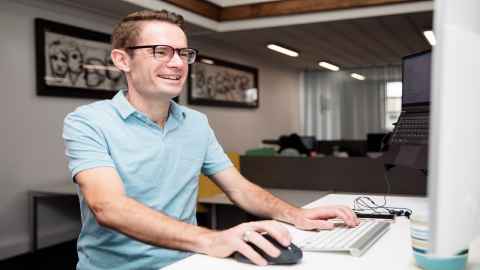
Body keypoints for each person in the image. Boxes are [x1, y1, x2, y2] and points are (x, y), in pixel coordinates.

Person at [62, 10, 359, 270]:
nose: (177, 63)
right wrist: (212, 239)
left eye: (183, 53)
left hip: (190, 262)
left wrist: (297, 214)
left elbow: (240, 189)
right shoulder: (88, 121)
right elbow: (108, 207)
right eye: (161, 51)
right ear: (122, 59)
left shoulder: (196, 123)